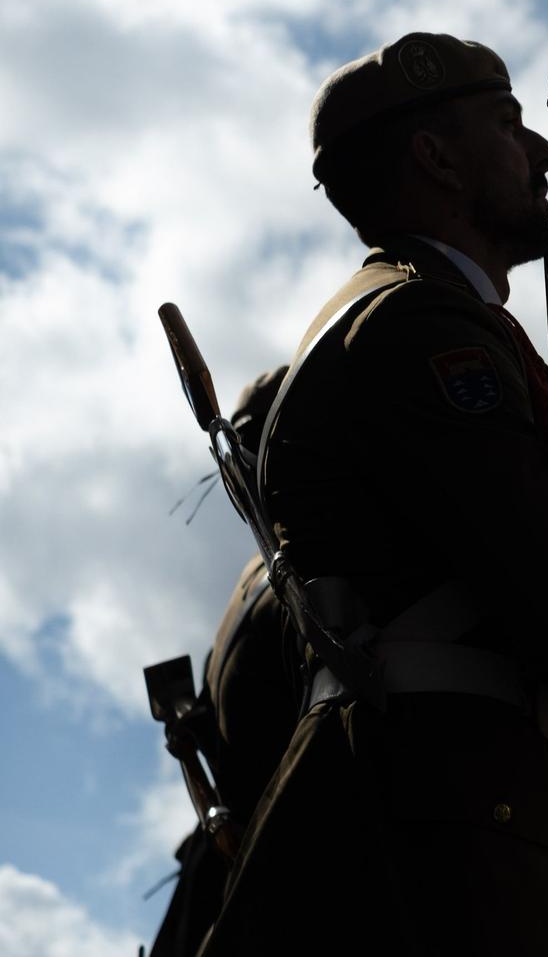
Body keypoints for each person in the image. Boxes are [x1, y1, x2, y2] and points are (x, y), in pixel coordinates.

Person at [200, 32, 548, 957]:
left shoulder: (419, 317)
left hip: (445, 809)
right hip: (448, 834)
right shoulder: (421, 329)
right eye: (508, 125)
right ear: (435, 156)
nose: (544, 152)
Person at [148, 368, 296, 957]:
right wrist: (192, 728)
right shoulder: (250, 580)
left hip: (286, 858)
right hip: (222, 859)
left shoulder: (309, 572)